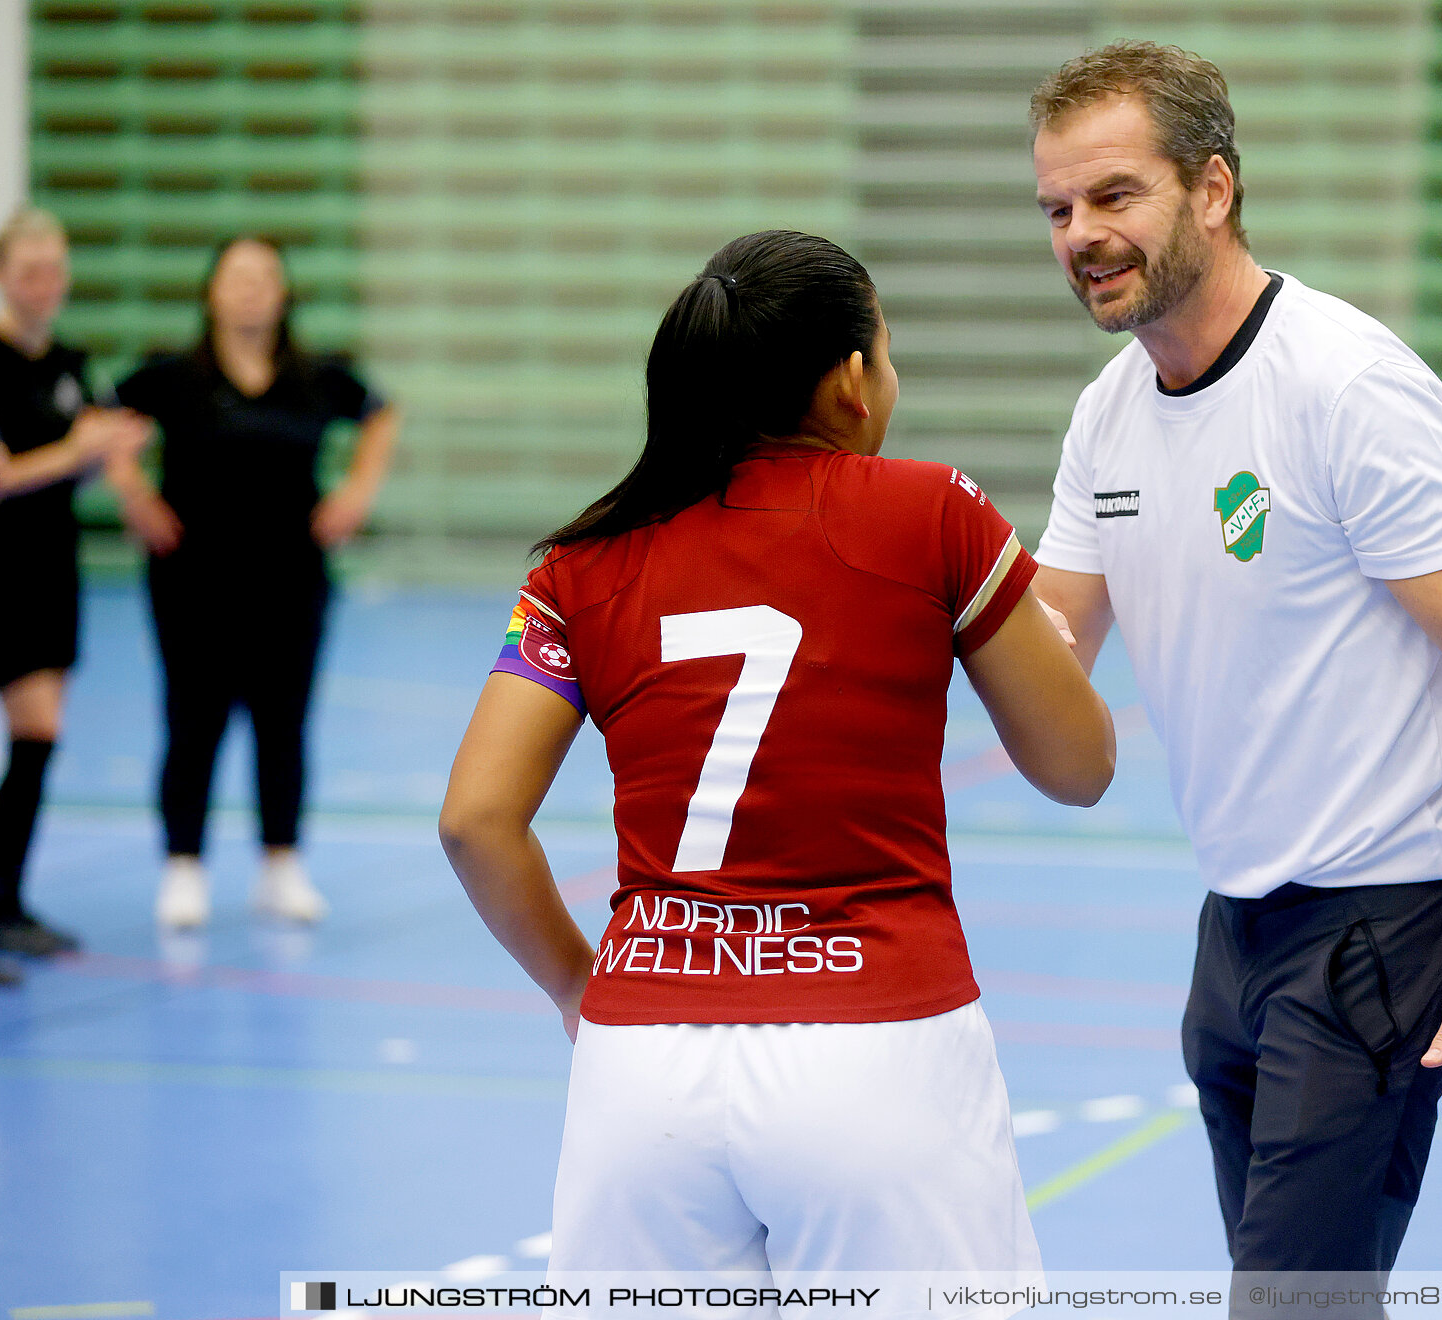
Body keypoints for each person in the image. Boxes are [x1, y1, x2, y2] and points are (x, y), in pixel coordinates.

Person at [440, 230, 1113, 1288]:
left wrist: (584, 989)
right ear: (851, 382)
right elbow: (1080, 765)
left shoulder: (580, 563)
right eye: (887, 354)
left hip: (642, 1064)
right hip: (877, 1047)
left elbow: (474, 821)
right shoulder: (934, 509)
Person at [1025, 43, 1442, 1312]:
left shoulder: (1347, 385)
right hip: (1234, 927)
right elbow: (1047, 650)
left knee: (1288, 1301)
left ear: (1212, 190)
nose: (1081, 237)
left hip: (1383, 922)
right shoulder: (1109, 413)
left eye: (1114, 196)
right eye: (1057, 210)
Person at [107, 236, 400, 930]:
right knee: (192, 718)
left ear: (283, 293)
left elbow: (382, 414)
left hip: (290, 577)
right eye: (236, 277)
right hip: (192, 578)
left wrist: (358, 490)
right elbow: (105, 423)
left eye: (264, 277)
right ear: (211, 291)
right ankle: (184, 868)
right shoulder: (171, 376)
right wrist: (131, 491)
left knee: (284, 719)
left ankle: (281, 865)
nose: (250, 289)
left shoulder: (317, 377)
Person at [0, 208, 149, 987]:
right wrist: (72, 451)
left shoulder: (75, 363)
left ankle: (6, 907)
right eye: (28, 270)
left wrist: (107, 457)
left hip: (48, 569)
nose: (43, 284)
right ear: (0, 276)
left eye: (54, 270)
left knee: (37, 736)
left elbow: (77, 459)